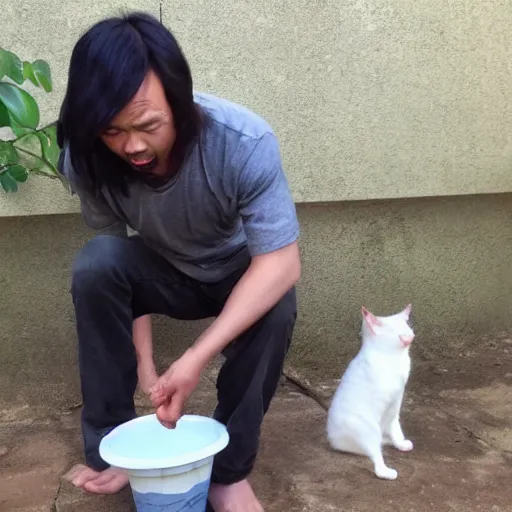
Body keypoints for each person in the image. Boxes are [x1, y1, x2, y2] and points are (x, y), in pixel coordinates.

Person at [57, 11, 301, 512]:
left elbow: (280, 264)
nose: (132, 146)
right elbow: (113, 263)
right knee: (96, 262)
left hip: (239, 273)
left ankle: (227, 473)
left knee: (277, 304)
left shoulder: (242, 142)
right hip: (165, 272)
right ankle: (116, 450)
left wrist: (193, 360)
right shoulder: (86, 158)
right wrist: (147, 366)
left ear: (180, 100)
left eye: (147, 125)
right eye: (111, 130)